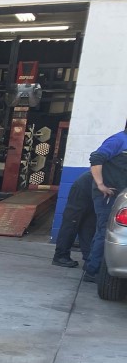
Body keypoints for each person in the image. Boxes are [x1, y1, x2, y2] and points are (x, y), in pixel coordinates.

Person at [83, 121, 127, 282]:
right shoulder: (118, 140)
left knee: (103, 230)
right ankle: (93, 272)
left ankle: (91, 265)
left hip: (120, 196)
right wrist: (101, 184)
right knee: (104, 231)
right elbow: (96, 158)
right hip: (108, 195)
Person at [52, 171, 95, 267]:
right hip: (84, 188)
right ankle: (60, 256)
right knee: (72, 223)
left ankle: (89, 259)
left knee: (89, 225)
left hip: (92, 189)